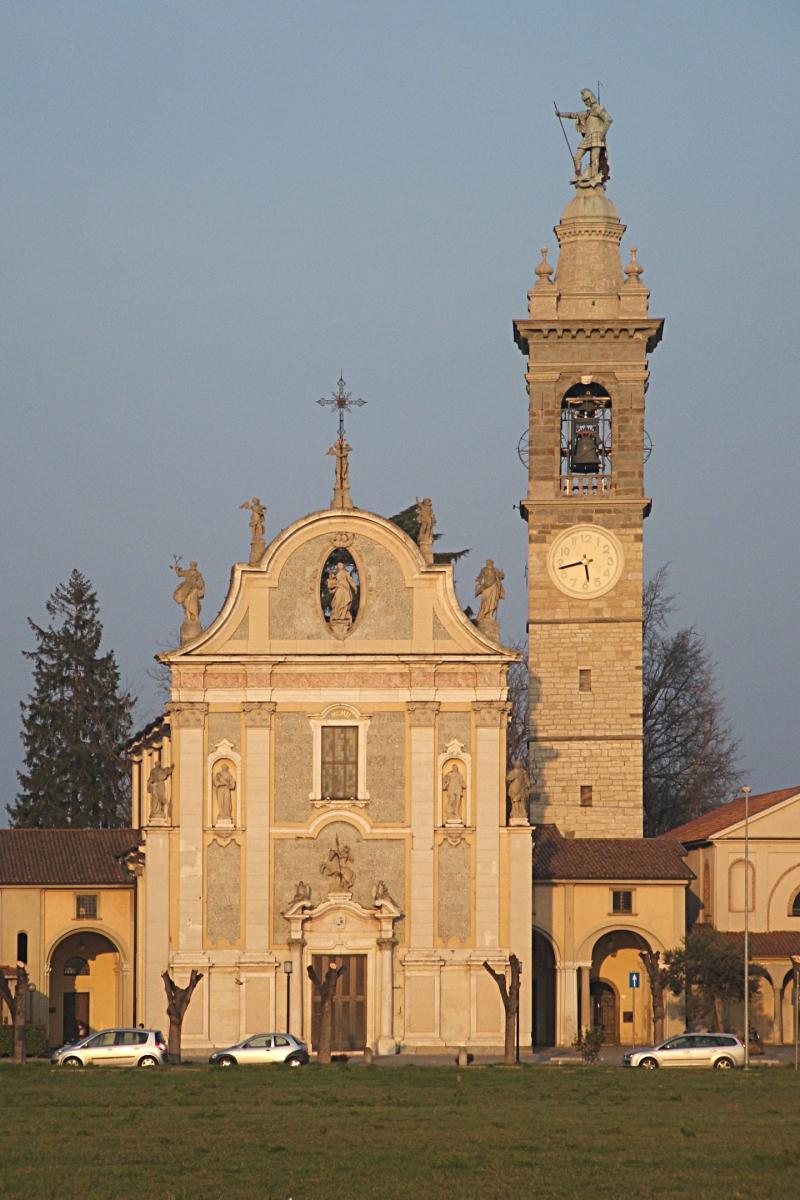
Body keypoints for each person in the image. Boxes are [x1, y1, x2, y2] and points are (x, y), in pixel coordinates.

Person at [556, 89, 612, 185]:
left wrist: (602, 134)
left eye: (586, 100)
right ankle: (578, 175)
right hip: (588, 136)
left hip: (597, 136)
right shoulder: (588, 112)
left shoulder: (599, 109)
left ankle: (594, 178)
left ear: (591, 98)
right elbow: (574, 115)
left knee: (595, 158)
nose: (586, 103)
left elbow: (608, 119)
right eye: (584, 101)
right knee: (577, 157)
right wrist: (561, 114)